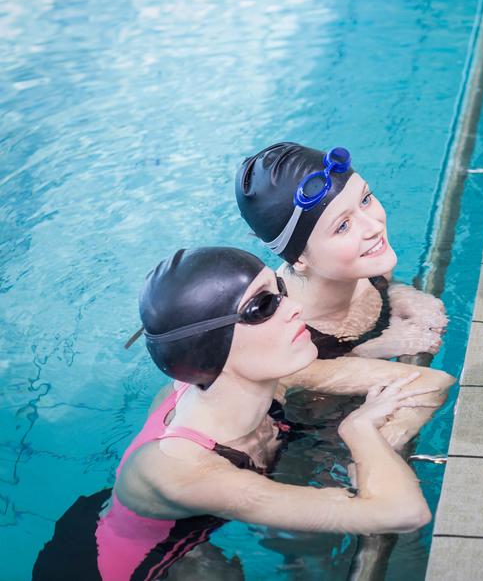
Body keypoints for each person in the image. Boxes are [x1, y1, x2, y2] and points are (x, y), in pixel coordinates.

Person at [34, 247, 436, 581]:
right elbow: (403, 512)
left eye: (280, 290)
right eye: (263, 306)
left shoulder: (261, 379)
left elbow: (432, 383)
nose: (295, 308)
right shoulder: (184, 472)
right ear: (211, 349)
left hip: (166, 528)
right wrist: (360, 430)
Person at [237, 142, 453, 445]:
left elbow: (387, 285)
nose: (373, 226)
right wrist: (371, 348)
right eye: (342, 226)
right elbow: (283, 387)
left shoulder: (370, 265)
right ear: (298, 258)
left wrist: (402, 294)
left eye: (365, 199)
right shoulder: (276, 325)